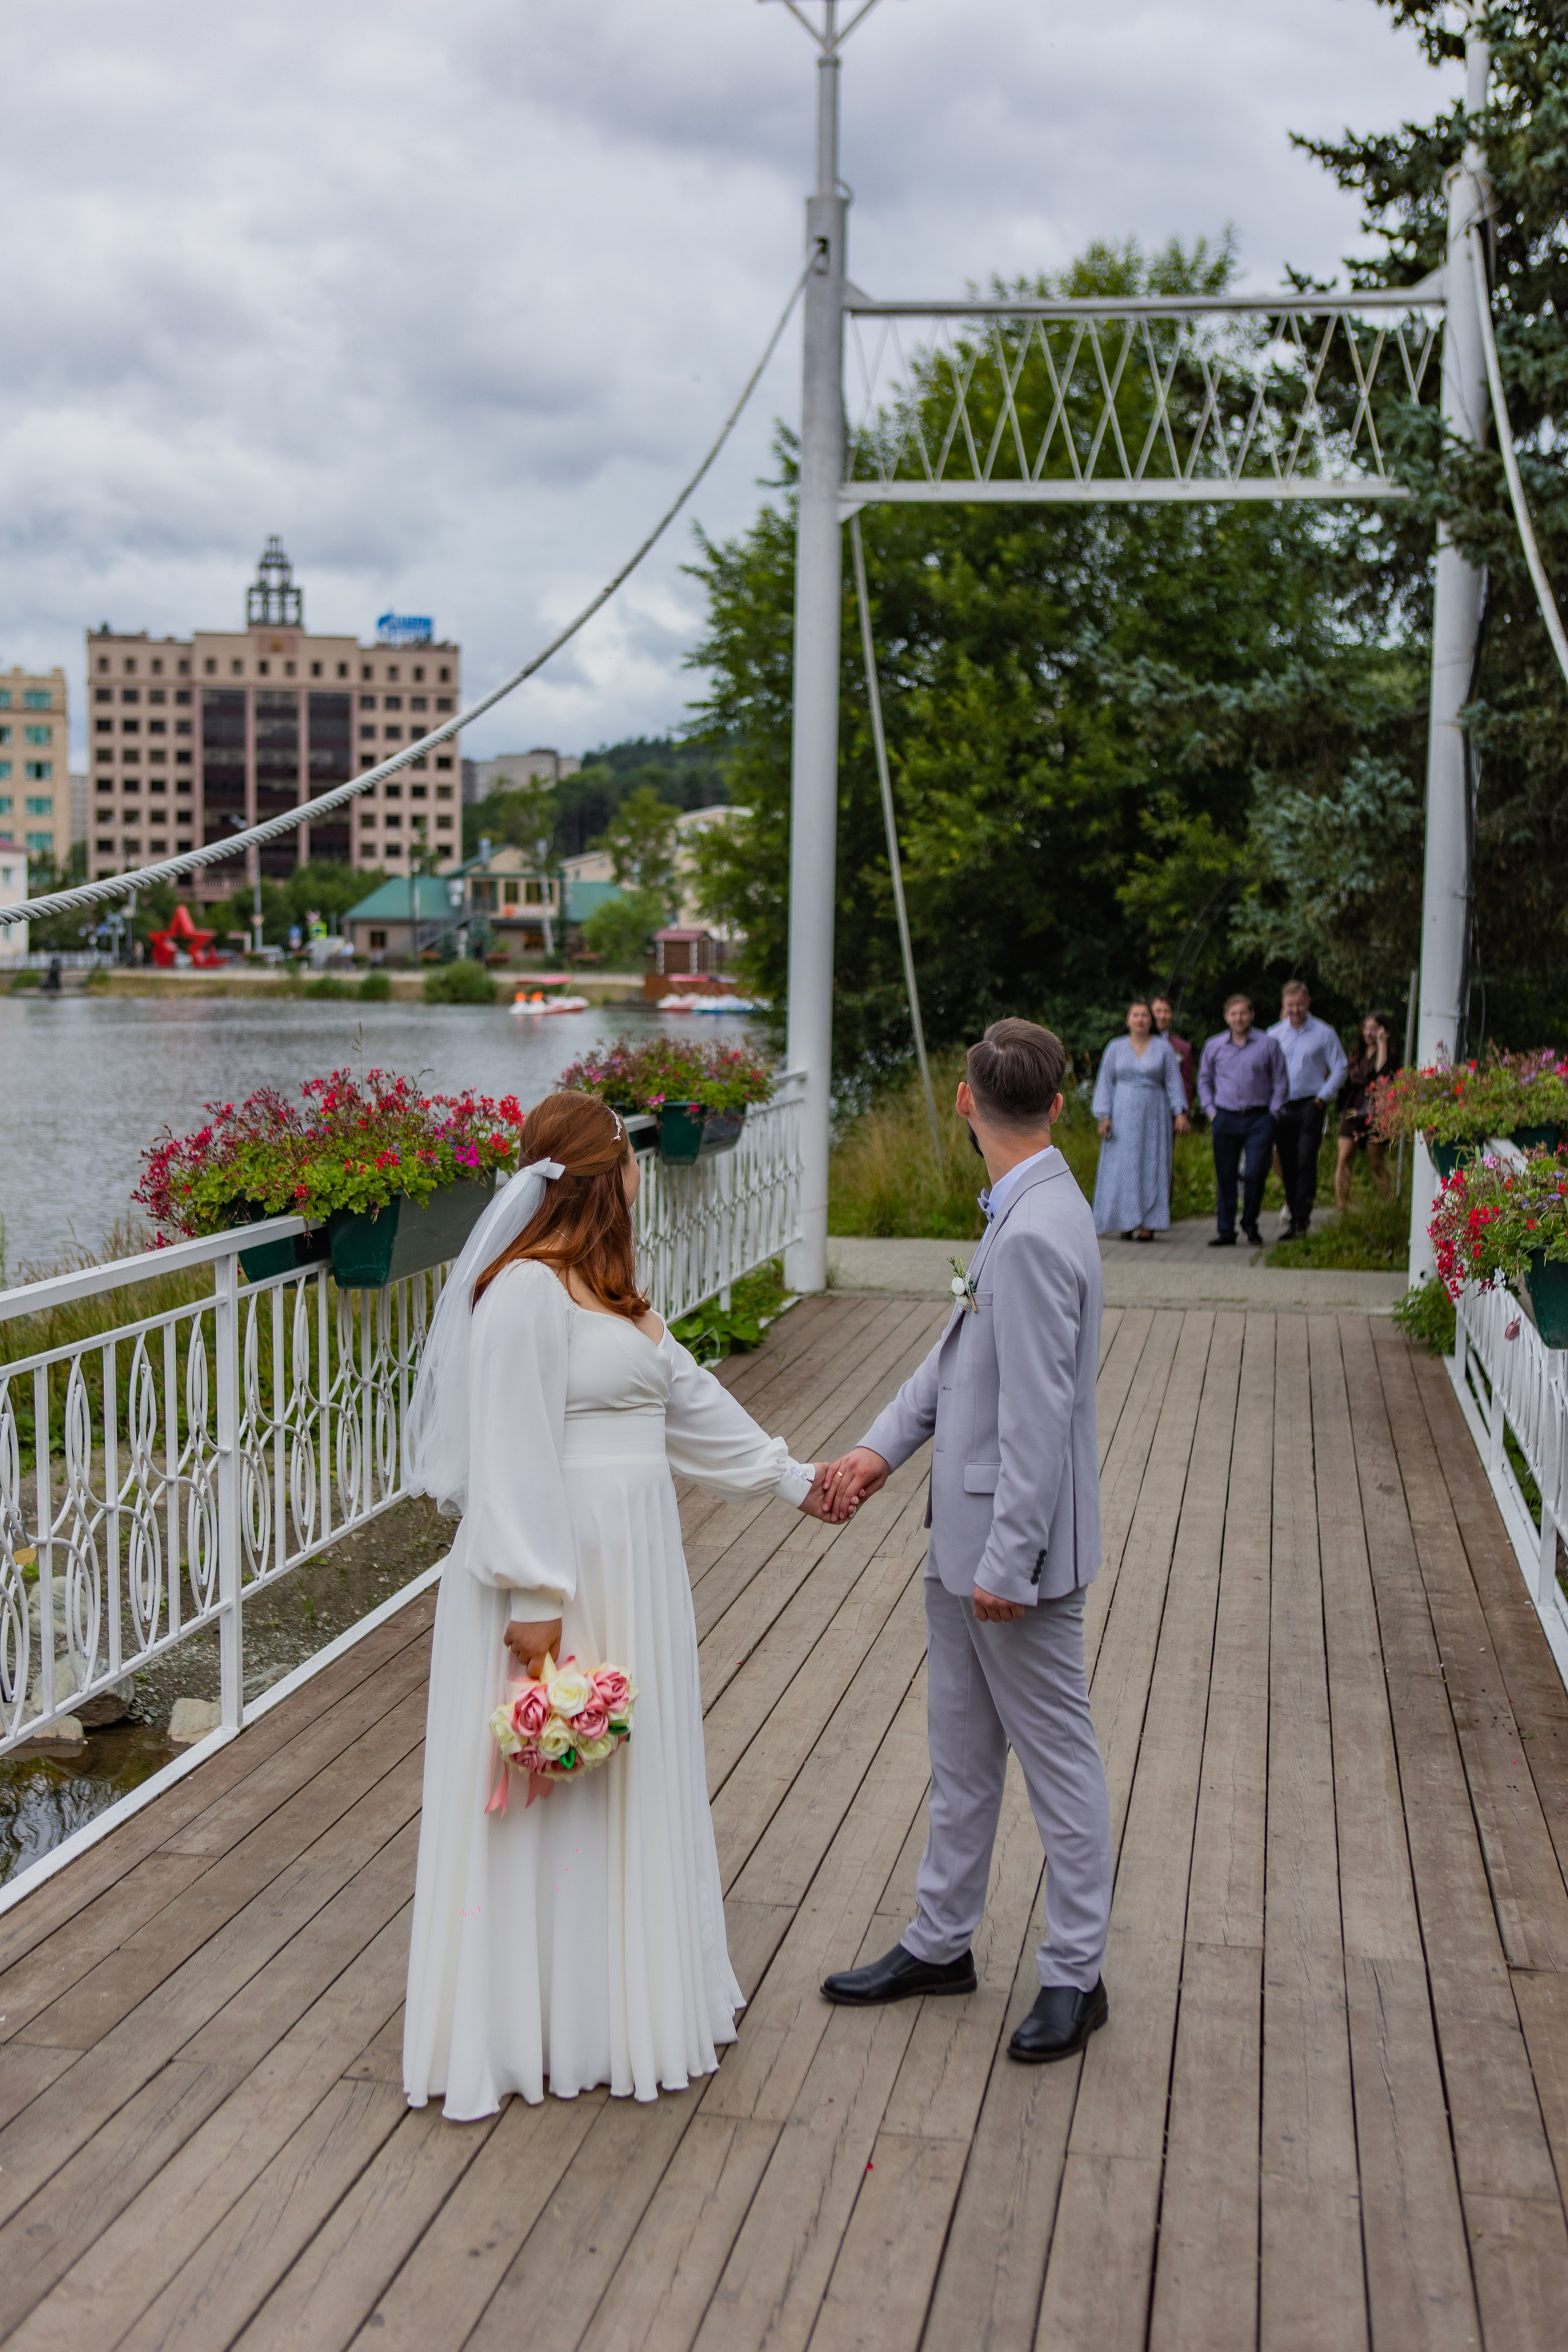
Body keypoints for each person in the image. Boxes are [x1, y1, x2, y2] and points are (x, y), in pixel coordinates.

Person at [401, 1091, 837, 2115]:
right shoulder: (521, 1297)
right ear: (606, 1176)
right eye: (633, 1157)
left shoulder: (612, 1295)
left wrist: (795, 1480)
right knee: (550, 1795)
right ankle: (531, 2023)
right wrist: (538, 1594)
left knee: (626, 1788)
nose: (644, 1170)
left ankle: (619, 2007)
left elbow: (687, 1401)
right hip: (554, 1571)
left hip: (635, 1564)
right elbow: (509, 1451)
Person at [818, 1019, 1114, 2066]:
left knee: (1058, 1763)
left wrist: (1008, 1564)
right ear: (1060, 1104)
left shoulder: (1034, 1233)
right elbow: (958, 1363)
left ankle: (1077, 1973)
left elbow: (1037, 1416)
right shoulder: (1028, 1206)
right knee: (962, 1756)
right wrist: (877, 1451)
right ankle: (941, 1942)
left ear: (962, 1100)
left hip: (1007, 1559)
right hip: (966, 1542)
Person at [1090, 1000, 1190, 1240]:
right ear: (1128, 1020)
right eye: (1135, 1015)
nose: (1140, 1020)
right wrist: (1103, 1116)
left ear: (1151, 1021)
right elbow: (1104, 1082)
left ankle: (1148, 1223)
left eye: (1145, 1015)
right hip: (1121, 1112)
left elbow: (1174, 1083)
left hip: (1154, 1115)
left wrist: (1180, 1113)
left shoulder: (1163, 1048)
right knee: (1122, 1167)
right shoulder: (1115, 1047)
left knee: (1152, 1165)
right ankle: (1124, 1221)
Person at [1197, 994, 1287, 1248]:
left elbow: (1281, 1081)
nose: (1239, 1018)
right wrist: (1210, 1110)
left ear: (1252, 1014)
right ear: (1227, 1017)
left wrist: (1273, 1114)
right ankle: (1226, 1231)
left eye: (1243, 1013)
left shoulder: (1268, 1044)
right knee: (1225, 1174)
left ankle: (1250, 1222)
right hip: (1225, 1117)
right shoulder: (1214, 1046)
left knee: (1256, 1172)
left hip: (1260, 1118)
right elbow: (1204, 1080)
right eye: (1233, 1014)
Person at [1267, 979, 1347, 1240]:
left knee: (1305, 1161)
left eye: (1300, 1004)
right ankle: (1293, 1215)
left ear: (1308, 1002)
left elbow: (1340, 1067)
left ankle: (1303, 1219)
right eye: (1290, 1005)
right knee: (1287, 1164)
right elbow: (1265, 1070)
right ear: (1284, 1005)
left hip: (1310, 1105)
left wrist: (1323, 1097)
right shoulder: (1274, 1034)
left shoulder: (1324, 1032)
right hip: (1282, 1106)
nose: (1296, 1009)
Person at [1336, 1011, 1398, 1207]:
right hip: (1353, 1107)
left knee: (1376, 1163)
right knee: (1344, 1158)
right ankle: (1342, 1206)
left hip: (1376, 1109)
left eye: (1374, 1029)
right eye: (1366, 1028)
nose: (1369, 1033)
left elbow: (1381, 1074)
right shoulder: (1356, 1054)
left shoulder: (1391, 1053)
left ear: (1383, 1031)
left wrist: (1382, 1045)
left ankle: (1390, 1203)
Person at [1150, 995, 1194, 1109]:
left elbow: (1187, 1085)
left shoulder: (1183, 1048)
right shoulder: (1135, 1045)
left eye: (1167, 1012)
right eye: (1158, 1011)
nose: (1162, 1016)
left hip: (1171, 1111)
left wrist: (1184, 1114)